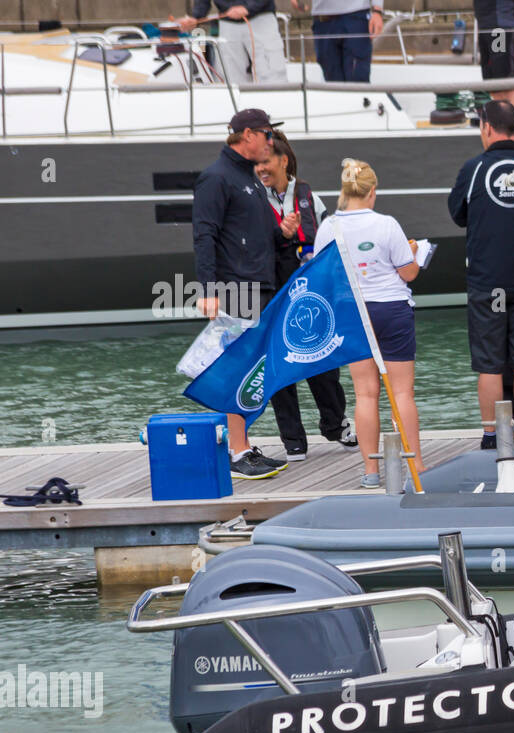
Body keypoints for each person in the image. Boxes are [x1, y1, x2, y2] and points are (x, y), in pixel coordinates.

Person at [313, 158, 426, 488]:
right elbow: (408, 272)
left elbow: (324, 277)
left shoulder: (329, 227)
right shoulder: (387, 224)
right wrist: (414, 251)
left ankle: (371, 472)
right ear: (372, 191)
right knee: (401, 392)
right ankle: (416, 466)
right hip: (392, 309)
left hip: (354, 313)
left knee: (365, 394)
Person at [192, 107, 286, 480]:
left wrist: (285, 232)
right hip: (235, 287)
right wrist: (209, 289)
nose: (271, 141)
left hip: (258, 285)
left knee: (251, 369)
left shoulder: (248, 178)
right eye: (266, 134)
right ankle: (236, 450)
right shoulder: (216, 177)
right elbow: (204, 233)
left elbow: (258, 233)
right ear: (247, 135)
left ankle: (242, 443)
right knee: (236, 368)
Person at [448, 101, 514, 450]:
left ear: (488, 128)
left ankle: (491, 435)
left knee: (489, 362)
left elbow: (457, 214)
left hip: (488, 283)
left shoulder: (474, 168)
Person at [255, 130, 358, 461]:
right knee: (278, 364)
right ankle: (293, 439)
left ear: (283, 162)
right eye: (256, 164)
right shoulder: (252, 199)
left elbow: (328, 239)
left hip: (308, 288)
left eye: (265, 162)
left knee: (322, 360)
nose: (260, 169)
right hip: (269, 289)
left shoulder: (307, 195)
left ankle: (335, 424)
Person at [178, 1, 289, 84]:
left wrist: (249, 7)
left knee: (272, 73)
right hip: (228, 22)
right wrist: (196, 17)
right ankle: (240, 112)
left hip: (261, 19)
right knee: (230, 75)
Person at [290, 0, 383, 82]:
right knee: (331, 79)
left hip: (356, 16)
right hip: (322, 20)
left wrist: (377, 11)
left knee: (357, 78)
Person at [474, 0, 514, 120]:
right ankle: (503, 130)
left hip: (502, 24)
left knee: (508, 85)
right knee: (494, 87)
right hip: (485, 24)